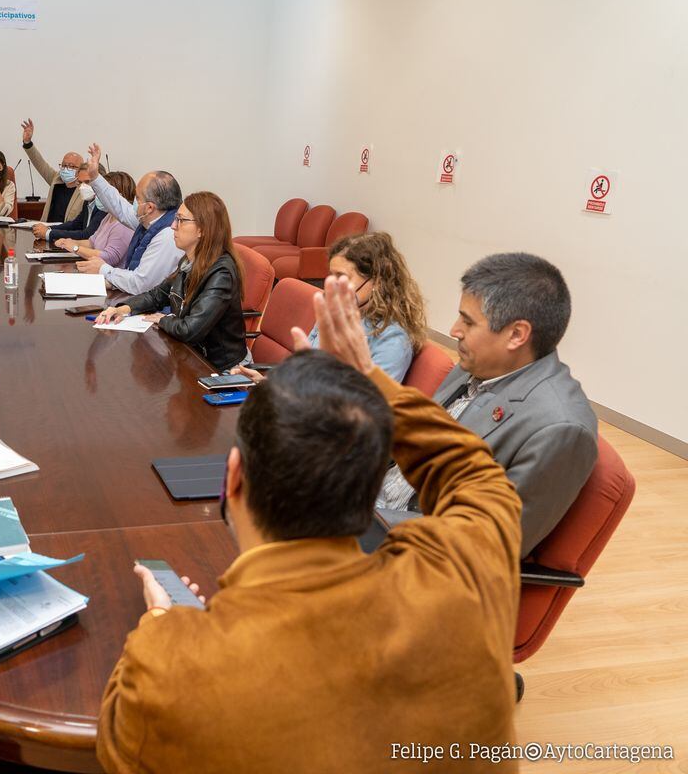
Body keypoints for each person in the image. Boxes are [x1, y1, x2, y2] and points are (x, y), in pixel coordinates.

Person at [97, 276, 524, 773]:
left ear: (232, 477)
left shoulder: (173, 670)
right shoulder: (468, 574)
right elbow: (475, 475)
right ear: (369, 483)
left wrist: (159, 627)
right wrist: (366, 379)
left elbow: (116, 750)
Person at [376, 252, 598, 556]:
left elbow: (488, 543)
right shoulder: (476, 367)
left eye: (468, 322)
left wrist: (356, 522)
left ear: (516, 335)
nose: (455, 330)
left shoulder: (560, 427)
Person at [233, 231, 425, 382]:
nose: (331, 285)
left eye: (341, 277)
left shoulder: (392, 339)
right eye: (330, 275)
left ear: (376, 282)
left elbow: (363, 409)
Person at [95, 192, 249, 371]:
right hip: (192, 355)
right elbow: (158, 295)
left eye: (181, 220)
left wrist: (163, 320)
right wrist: (123, 308)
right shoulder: (189, 260)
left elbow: (191, 330)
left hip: (222, 369)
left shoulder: (221, 273)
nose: (173, 226)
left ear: (203, 230)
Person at [75, 143, 184, 294]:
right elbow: (118, 207)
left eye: (137, 198)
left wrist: (103, 269)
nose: (132, 202)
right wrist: (94, 177)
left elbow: (140, 284)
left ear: (150, 207)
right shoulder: (150, 219)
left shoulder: (168, 235)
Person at [18, 118, 102, 241]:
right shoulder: (56, 179)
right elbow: (40, 163)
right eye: (64, 165)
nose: (66, 169)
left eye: (72, 166)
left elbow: (78, 226)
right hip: (47, 233)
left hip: (67, 237)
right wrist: (28, 143)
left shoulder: (86, 191)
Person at [54, 171, 135, 267]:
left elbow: (109, 258)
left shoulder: (123, 224)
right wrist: (69, 242)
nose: (97, 196)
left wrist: (76, 248)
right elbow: (92, 242)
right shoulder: (109, 216)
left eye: (101, 193)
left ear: (117, 196)